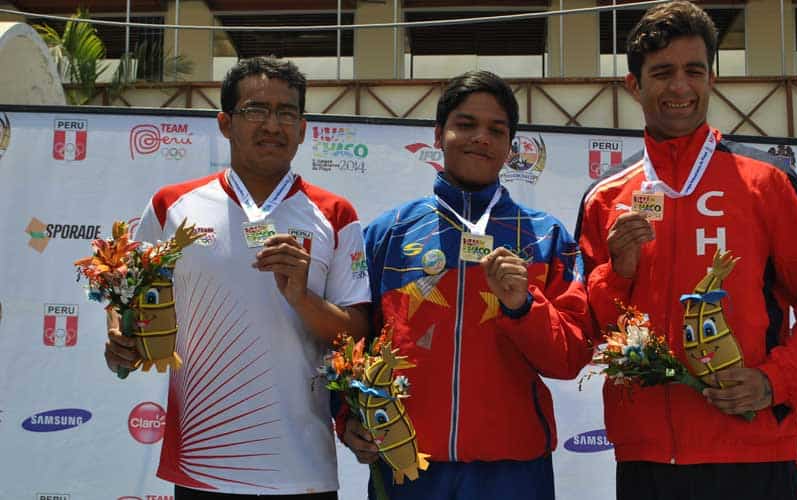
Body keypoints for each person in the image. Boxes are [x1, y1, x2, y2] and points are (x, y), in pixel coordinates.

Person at [574, 2, 797, 499]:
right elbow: (591, 329)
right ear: (634, 85)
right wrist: (618, 273)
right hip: (647, 464)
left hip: (754, 456)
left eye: (694, 71)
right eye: (662, 72)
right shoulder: (606, 197)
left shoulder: (768, 182)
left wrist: (773, 382)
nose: (680, 87)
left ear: (712, 78)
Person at [104, 56, 370, 499]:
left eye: (287, 113)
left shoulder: (336, 214)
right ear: (225, 123)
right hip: (204, 463)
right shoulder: (172, 206)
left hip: (302, 468)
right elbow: (126, 294)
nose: (273, 125)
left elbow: (357, 334)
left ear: (303, 129)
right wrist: (119, 334)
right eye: (256, 110)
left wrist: (302, 298)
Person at [340, 70, 594, 499]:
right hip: (406, 461)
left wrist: (523, 306)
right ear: (438, 134)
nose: (482, 138)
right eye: (466, 124)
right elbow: (350, 340)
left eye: (497, 130)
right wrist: (346, 416)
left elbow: (569, 357)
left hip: (513, 470)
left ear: (510, 146)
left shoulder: (545, 237)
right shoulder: (388, 233)